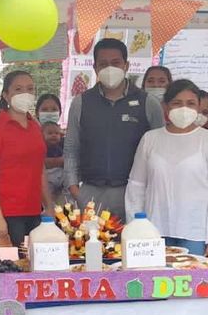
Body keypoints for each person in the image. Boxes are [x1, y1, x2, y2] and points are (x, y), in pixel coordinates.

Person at [125, 80, 208, 259]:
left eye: (190, 103)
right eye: (177, 103)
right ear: (165, 107)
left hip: (196, 232)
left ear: (199, 107)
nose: (184, 108)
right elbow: (136, 187)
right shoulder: (150, 139)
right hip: (154, 231)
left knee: (192, 276)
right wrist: (135, 228)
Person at [64, 38, 164, 220]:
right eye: (103, 64)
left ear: (126, 65)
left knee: (132, 238)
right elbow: (71, 148)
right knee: (89, 239)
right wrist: (75, 189)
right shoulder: (81, 103)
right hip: (90, 193)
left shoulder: (148, 103)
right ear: (95, 68)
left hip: (134, 193)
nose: (110, 68)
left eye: (116, 63)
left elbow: (160, 151)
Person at [0, 70, 50, 247]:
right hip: (8, 212)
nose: (25, 94)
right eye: (18, 89)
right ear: (6, 95)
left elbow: (40, 169)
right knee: (13, 261)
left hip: (35, 210)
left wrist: (49, 205)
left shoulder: (35, 126)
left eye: (30, 89)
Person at [41, 122, 68, 204]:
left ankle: (66, 201)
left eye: (56, 133)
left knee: (69, 182)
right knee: (47, 191)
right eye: (50, 133)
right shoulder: (41, 146)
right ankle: (50, 205)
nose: (54, 135)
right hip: (48, 174)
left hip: (61, 173)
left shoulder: (62, 144)